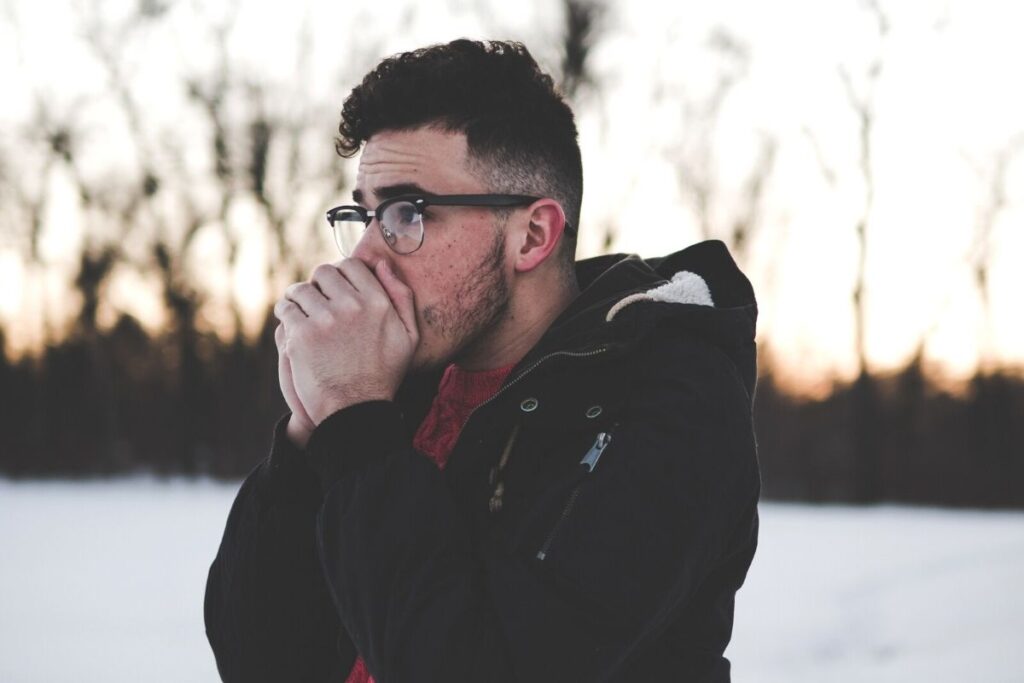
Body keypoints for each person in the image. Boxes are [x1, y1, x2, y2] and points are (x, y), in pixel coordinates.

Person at [204, 38, 760, 682]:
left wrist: (356, 423)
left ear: (531, 235)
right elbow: (259, 659)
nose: (364, 258)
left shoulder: (669, 401)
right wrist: (308, 434)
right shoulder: (401, 385)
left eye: (407, 212)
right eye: (364, 214)